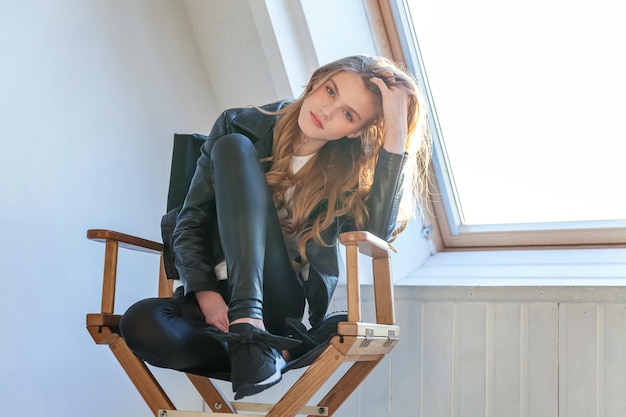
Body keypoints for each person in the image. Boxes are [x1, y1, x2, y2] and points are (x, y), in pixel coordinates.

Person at [119, 55, 431, 400]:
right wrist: (207, 299)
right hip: (215, 296)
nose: (327, 112)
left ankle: (254, 328)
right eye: (330, 91)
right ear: (316, 81)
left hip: (276, 302)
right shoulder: (239, 125)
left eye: (347, 114)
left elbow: (377, 233)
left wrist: (397, 129)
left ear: (354, 131)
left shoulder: (345, 173)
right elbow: (191, 219)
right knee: (140, 324)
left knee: (232, 148)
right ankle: (261, 353)